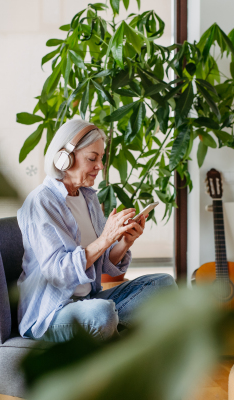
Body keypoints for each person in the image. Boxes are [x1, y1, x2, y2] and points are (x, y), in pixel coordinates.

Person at [17, 119, 177, 342]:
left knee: (163, 285)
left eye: (101, 159)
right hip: (51, 313)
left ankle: (117, 338)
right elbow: (57, 274)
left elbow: (102, 264)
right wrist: (105, 238)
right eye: (92, 158)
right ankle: (118, 350)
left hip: (89, 302)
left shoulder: (88, 199)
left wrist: (124, 243)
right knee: (101, 313)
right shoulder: (41, 202)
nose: (100, 166)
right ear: (64, 158)